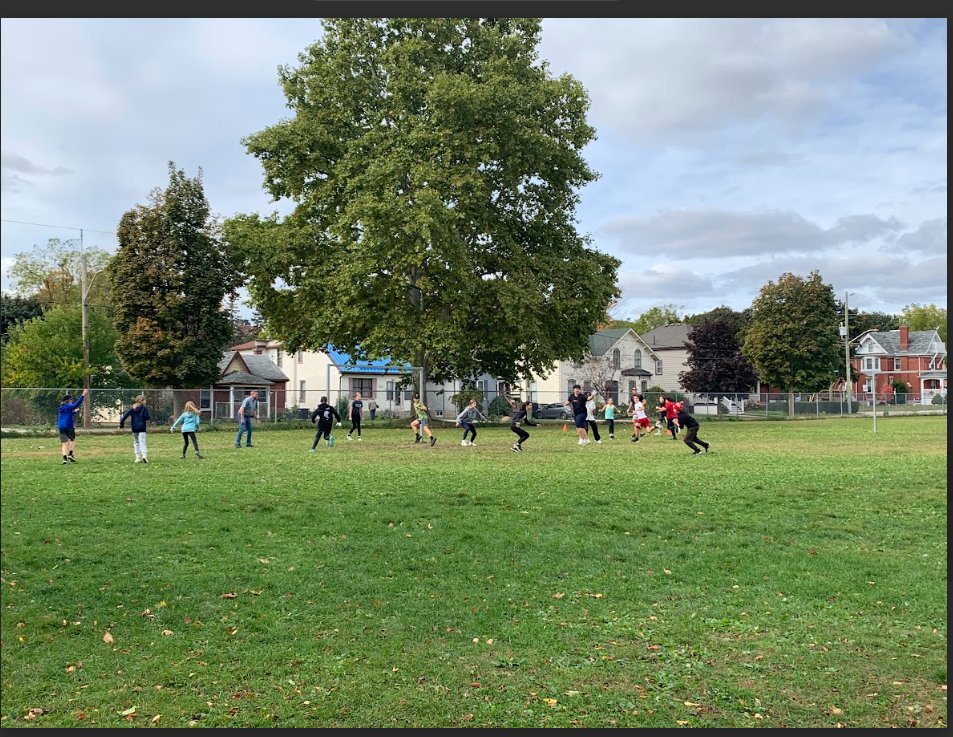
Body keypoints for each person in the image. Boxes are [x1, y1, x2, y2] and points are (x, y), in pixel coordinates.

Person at [57, 387, 89, 464]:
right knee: (72, 440)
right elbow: (77, 404)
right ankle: (70, 454)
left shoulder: (61, 407)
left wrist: (74, 412)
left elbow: (67, 414)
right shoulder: (69, 406)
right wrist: (83, 395)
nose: (72, 401)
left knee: (64, 443)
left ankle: (64, 458)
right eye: (71, 400)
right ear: (68, 401)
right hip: (69, 426)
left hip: (61, 427)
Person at [119, 394, 152, 463]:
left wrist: (121, 425)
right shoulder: (144, 408)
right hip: (142, 427)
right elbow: (147, 417)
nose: (145, 402)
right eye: (145, 400)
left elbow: (124, 417)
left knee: (136, 441)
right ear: (142, 401)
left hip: (134, 428)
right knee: (142, 442)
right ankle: (144, 456)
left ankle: (137, 457)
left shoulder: (132, 409)